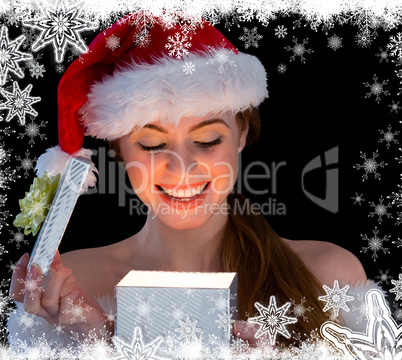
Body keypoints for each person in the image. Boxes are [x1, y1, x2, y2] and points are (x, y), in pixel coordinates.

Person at [7, 9, 378, 354]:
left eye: (207, 140)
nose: (182, 168)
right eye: (152, 144)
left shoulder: (329, 277)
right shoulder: (71, 288)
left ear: (242, 133)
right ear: (119, 147)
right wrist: (94, 344)